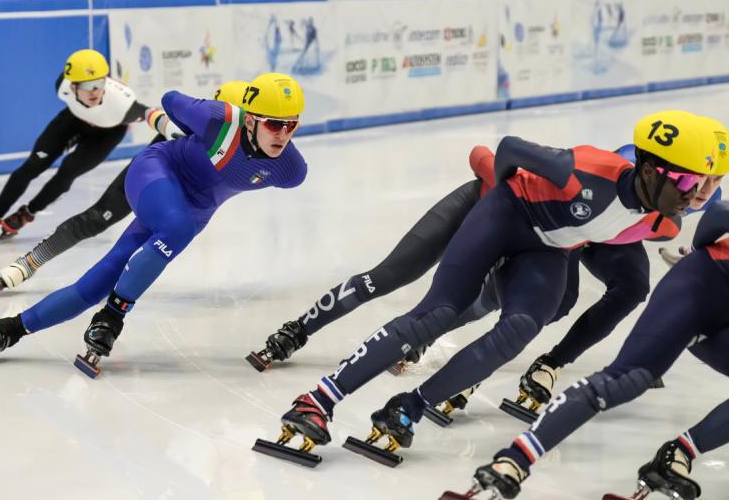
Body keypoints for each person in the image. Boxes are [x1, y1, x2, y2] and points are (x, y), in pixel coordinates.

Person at [252, 111, 720, 467]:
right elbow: (509, 146)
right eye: (683, 180)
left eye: (700, 184)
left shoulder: (665, 222)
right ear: (648, 169)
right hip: (508, 213)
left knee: (522, 326)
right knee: (437, 311)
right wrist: (499, 200)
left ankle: (409, 407)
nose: (692, 192)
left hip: (548, 249)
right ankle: (317, 400)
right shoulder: (583, 170)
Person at [0, 73, 308, 379]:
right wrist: (189, 125)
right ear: (249, 121)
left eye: (291, 125)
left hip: (191, 210)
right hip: (158, 173)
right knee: (177, 227)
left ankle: (9, 330)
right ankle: (112, 317)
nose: (283, 134)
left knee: (95, 284)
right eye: (274, 124)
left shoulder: (291, 170)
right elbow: (170, 99)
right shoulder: (220, 119)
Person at [444, 197, 729, 500]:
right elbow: (719, 214)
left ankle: (678, 455)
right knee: (624, 380)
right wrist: (702, 253)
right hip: (702, 287)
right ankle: (513, 460)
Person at [0, 81, 251, 298]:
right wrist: (165, 125)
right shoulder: (193, 125)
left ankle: (112, 306)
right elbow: (157, 116)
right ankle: (30, 262)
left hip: (190, 201)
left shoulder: (258, 149)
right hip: (155, 177)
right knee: (96, 219)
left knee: (142, 243)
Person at [0, 49, 168, 242]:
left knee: (68, 170)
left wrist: (175, 127)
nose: (94, 91)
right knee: (33, 166)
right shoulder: (62, 85)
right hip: (73, 120)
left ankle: (27, 213)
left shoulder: (122, 104)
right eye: (86, 86)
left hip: (107, 133)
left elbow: (153, 114)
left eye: (99, 84)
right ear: (73, 86)